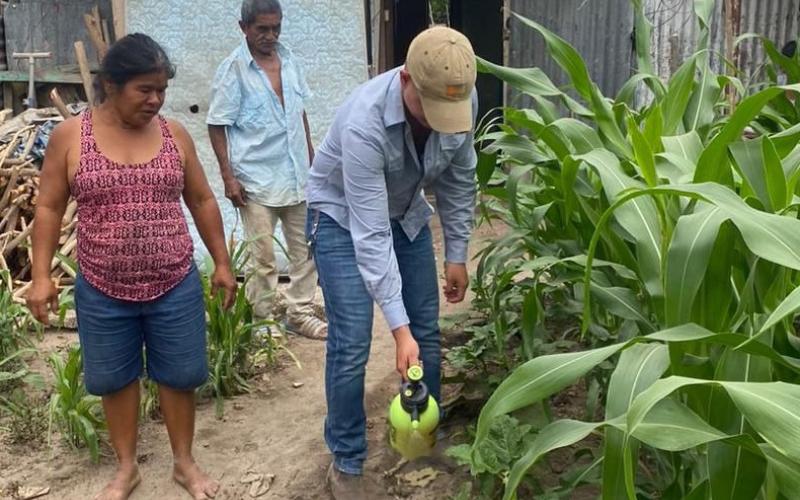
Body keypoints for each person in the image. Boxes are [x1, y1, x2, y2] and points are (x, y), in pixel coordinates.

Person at [26, 34, 236, 500]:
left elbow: (201, 199)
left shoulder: (173, 133)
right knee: (114, 379)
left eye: (161, 89)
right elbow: (47, 209)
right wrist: (41, 276)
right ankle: (127, 468)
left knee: (180, 376)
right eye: (145, 89)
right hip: (102, 285)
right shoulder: (70, 136)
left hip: (173, 280)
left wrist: (222, 262)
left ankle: (184, 463)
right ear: (112, 85)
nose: (156, 99)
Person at [306, 26, 478, 498]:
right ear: (405, 80)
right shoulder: (364, 122)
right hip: (343, 218)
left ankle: (421, 437)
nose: (443, 122)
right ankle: (346, 459)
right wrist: (396, 330)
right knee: (353, 341)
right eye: (431, 110)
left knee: (427, 330)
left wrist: (457, 254)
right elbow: (370, 233)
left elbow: (461, 181)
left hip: (405, 211)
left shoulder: (460, 93)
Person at [207, 0, 326, 340]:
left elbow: (298, 112)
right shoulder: (233, 70)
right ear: (243, 27)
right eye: (262, 29)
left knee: (307, 250)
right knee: (263, 258)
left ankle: (299, 312)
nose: (270, 35)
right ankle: (262, 320)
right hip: (256, 180)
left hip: (297, 175)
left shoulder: (289, 61)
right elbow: (217, 124)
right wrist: (228, 177)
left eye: (276, 27)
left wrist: (311, 156)